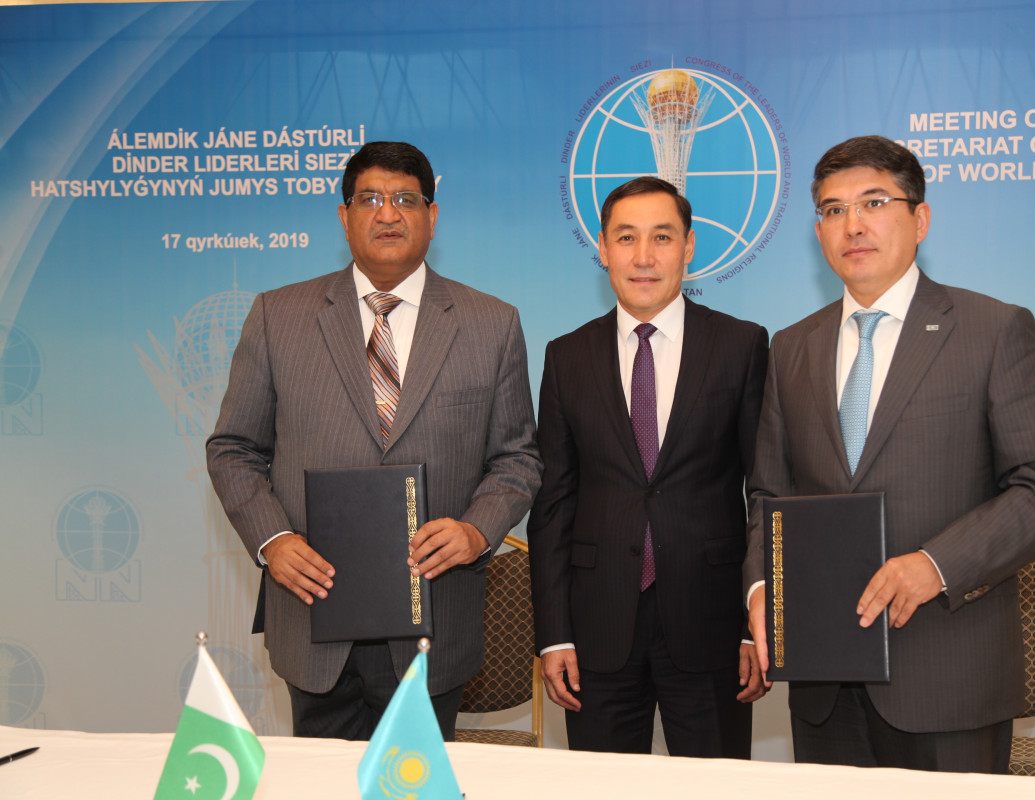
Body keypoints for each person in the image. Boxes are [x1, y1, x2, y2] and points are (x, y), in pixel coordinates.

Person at [744, 135, 1035, 772]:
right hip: (824, 683)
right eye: (833, 209)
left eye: (874, 202)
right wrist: (763, 586)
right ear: (818, 231)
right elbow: (769, 493)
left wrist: (937, 564)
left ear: (920, 219)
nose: (853, 224)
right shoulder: (791, 348)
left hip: (948, 676)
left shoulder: (992, 329)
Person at [206, 141, 542, 741]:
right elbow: (233, 448)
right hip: (314, 618)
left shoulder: (491, 323)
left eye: (406, 200)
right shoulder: (278, 316)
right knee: (321, 784)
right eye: (370, 199)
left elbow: (516, 459)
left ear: (432, 216)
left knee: (417, 781)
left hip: (434, 620)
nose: (388, 214)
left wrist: (476, 530)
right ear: (344, 216)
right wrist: (273, 541)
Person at [529, 176, 769, 758]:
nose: (643, 257)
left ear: (688, 247)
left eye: (661, 237)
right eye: (626, 237)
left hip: (714, 627)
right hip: (596, 630)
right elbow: (553, 505)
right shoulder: (566, 356)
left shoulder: (742, 346)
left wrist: (753, 624)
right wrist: (554, 635)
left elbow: (765, 490)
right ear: (603, 248)